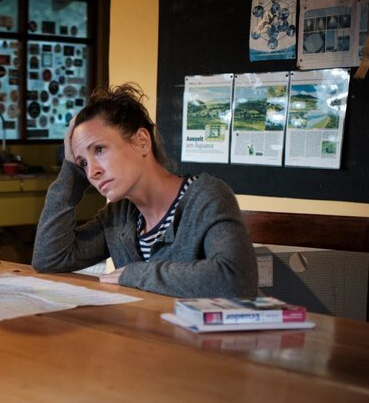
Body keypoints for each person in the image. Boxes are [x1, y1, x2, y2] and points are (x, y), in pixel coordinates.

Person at [32, 83, 258, 298]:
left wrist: (136, 273)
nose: (92, 172)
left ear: (141, 141)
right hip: (147, 335)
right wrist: (70, 173)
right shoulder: (118, 216)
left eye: (99, 149)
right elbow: (50, 258)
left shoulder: (206, 197)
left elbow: (237, 280)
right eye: (83, 163)